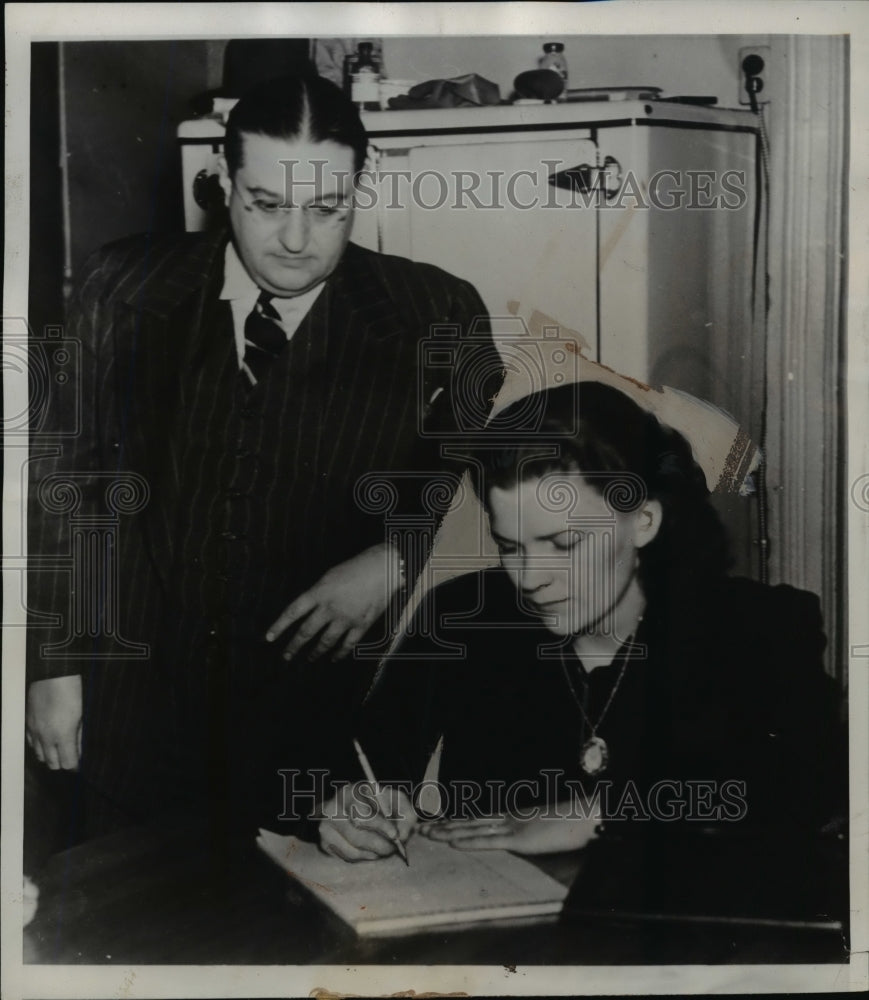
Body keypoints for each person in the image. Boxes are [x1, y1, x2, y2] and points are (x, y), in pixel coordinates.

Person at [25, 74, 502, 839]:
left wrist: (396, 553)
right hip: (130, 707)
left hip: (307, 727)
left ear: (358, 188)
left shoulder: (436, 312)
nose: (294, 240)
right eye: (267, 204)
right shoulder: (123, 288)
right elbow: (61, 480)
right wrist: (54, 665)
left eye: (326, 210)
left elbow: (463, 453)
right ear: (223, 178)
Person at [318, 381, 846, 871]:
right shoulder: (461, 615)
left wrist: (602, 812)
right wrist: (347, 807)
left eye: (564, 544)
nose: (530, 578)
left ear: (643, 521)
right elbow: (365, 762)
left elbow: (814, 784)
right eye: (510, 547)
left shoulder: (756, 625)